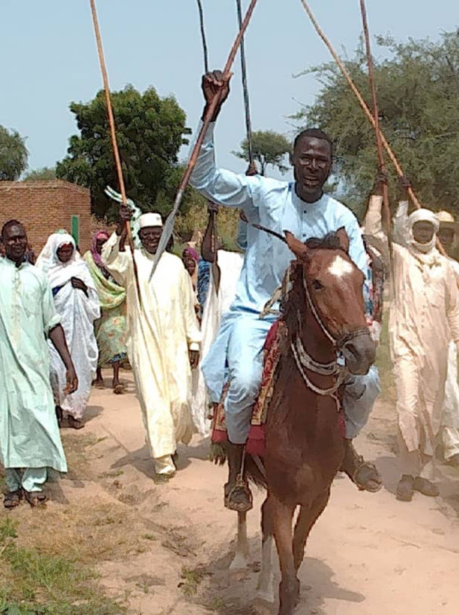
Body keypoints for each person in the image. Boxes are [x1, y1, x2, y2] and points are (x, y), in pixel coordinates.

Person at [189, 70, 381, 510]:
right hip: (258, 316)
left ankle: (345, 449)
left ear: (331, 166)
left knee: (367, 383)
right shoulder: (264, 196)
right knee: (245, 383)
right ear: (293, 161)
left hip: (319, 327)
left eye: (322, 160)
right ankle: (236, 473)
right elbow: (205, 180)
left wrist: (359, 322)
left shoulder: (341, 217)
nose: (314, 166)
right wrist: (211, 113)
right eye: (306, 158)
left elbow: (360, 276)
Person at [0, 176, 78, 507]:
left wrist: (68, 363)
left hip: (34, 363)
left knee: (38, 417)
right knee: (8, 421)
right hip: (2, 364)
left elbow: (52, 323)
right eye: (12, 239)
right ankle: (13, 482)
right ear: (3, 243)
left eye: (22, 237)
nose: (18, 243)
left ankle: (34, 482)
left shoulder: (38, 276)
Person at [364, 177, 459, 502]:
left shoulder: (448, 268)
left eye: (428, 228)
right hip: (407, 346)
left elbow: (457, 311)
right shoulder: (400, 259)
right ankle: (407, 473)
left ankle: (423, 472)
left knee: (430, 412)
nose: (423, 233)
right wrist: (383, 198)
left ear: (434, 232)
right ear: (411, 231)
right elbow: (373, 233)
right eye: (418, 227)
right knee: (407, 409)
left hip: (438, 350)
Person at [102, 209, 201, 481]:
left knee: (180, 399)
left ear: (164, 236)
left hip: (174, 343)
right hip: (145, 343)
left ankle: (171, 441)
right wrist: (121, 228)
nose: (151, 239)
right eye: (146, 235)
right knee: (154, 401)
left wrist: (193, 342)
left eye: (156, 234)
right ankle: (162, 458)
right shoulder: (131, 262)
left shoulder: (175, 266)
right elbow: (107, 258)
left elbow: (186, 307)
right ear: (140, 237)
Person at [36, 232, 101, 430]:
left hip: (80, 331)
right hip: (56, 330)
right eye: (61, 250)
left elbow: (94, 302)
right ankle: (57, 407)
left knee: (80, 367)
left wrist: (81, 288)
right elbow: (39, 299)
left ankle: (75, 412)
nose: (65, 253)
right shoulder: (44, 271)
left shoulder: (81, 268)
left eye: (68, 250)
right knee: (55, 369)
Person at [191, 201, 244, 438]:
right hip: (227, 328)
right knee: (221, 380)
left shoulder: (264, 258)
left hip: (256, 332)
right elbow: (208, 254)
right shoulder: (228, 260)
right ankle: (220, 435)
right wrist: (212, 216)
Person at [436, 210, 459, 467]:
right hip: (417, 337)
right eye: (441, 233)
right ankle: (422, 444)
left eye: (448, 234)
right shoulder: (414, 262)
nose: (444, 238)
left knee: (449, 389)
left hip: (445, 336)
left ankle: (452, 445)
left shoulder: (454, 267)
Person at [84, 230, 129, 394]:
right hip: (96, 305)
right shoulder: (88, 259)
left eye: (105, 241)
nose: (102, 245)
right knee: (96, 339)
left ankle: (116, 377)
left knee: (115, 337)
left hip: (115, 301)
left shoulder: (113, 257)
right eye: (99, 242)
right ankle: (99, 375)